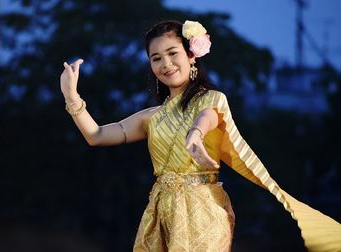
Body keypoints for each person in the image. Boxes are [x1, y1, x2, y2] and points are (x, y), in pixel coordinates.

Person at [60, 20, 341, 251]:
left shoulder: (212, 99)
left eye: (173, 53)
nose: (166, 63)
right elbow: (97, 135)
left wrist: (195, 134)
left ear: (191, 55)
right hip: (160, 212)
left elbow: (207, 117)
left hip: (203, 209)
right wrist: (72, 98)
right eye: (156, 58)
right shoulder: (150, 116)